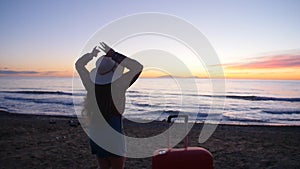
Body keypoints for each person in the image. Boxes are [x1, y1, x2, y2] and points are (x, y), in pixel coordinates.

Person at [75, 42, 143, 169]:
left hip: (96, 131)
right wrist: (114, 54)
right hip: (113, 134)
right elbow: (137, 67)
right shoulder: (118, 85)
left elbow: (79, 65)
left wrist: (91, 55)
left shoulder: (91, 85)